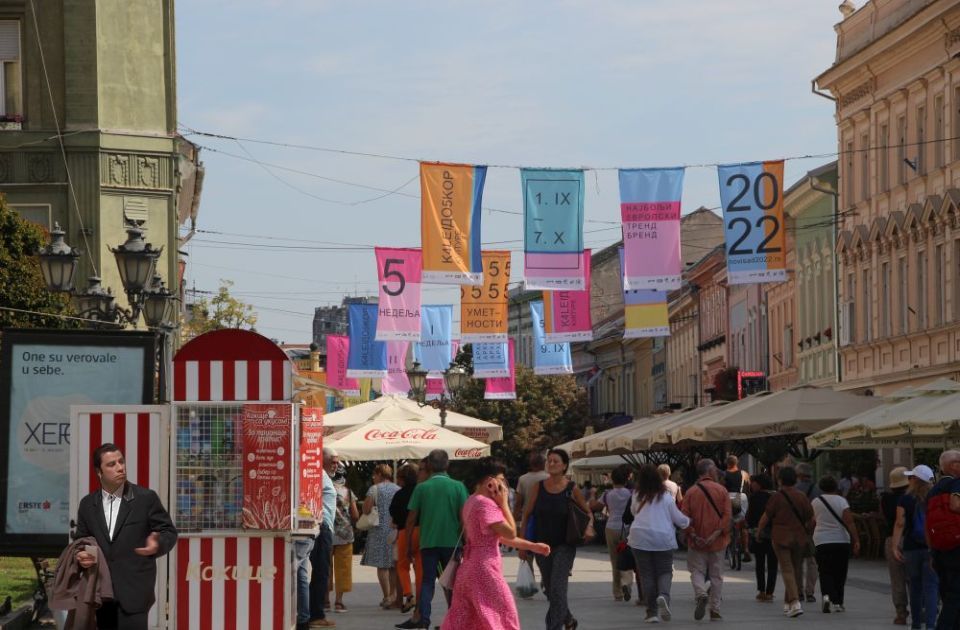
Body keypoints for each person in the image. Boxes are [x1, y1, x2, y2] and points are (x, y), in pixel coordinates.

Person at [73, 443, 177, 630]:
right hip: (101, 593)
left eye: (121, 462)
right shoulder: (88, 505)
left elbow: (168, 531)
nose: (120, 467)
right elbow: (81, 540)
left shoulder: (146, 498)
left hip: (135, 592)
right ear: (99, 472)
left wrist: (157, 544)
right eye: (111, 464)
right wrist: (81, 556)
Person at [441, 457, 551, 630]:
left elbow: (498, 536)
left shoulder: (472, 501)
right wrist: (504, 504)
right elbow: (510, 532)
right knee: (502, 615)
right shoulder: (486, 505)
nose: (504, 484)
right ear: (489, 481)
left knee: (473, 619)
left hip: (469, 569)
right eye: (501, 479)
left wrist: (532, 546)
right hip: (484, 569)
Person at [520, 448, 591, 630]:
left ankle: (553, 627)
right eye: (549, 461)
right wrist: (522, 544)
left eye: (555, 461)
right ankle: (568, 619)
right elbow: (526, 515)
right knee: (551, 589)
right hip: (541, 546)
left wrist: (589, 528)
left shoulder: (571, 488)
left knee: (558, 588)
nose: (551, 464)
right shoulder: (539, 486)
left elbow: (587, 512)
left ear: (564, 466)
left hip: (564, 546)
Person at [397, 450, 468, 630]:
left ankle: (424, 619)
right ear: (447, 465)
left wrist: (408, 546)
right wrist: (465, 539)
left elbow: (411, 518)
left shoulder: (422, 488)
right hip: (452, 543)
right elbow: (464, 517)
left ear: (429, 466)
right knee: (452, 582)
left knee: (427, 581)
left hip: (428, 542)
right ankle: (454, 620)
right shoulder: (458, 486)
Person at [626, 463, 691, 624]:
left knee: (646, 574)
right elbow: (679, 519)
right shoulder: (667, 497)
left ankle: (651, 612)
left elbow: (634, 512)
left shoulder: (636, 495)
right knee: (664, 571)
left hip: (639, 537)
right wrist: (688, 522)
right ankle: (663, 596)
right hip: (662, 538)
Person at [757, 466, 814, 618]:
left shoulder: (777, 497)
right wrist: (808, 532)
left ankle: (795, 602)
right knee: (795, 570)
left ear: (780, 479)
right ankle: (788, 603)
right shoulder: (802, 496)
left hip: (781, 537)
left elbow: (766, 516)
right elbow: (811, 519)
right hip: (799, 538)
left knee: (787, 570)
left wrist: (758, 531)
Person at [682, 458, 731, 621]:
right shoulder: (722, 490)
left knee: (696, 571)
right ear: (710, 471)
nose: (717, 473)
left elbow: (684, 517)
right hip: (717, 541)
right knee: (717, 576)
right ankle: (715, 609)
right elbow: (727, 516)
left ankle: (701, 593)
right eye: (715, 470)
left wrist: (693, 534)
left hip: (696, 542)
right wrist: (715, 535)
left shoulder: (690, 492)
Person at [892, 465, 939, 630]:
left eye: (911, 477)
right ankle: (931, 624)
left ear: (915, 480)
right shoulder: (936, 496)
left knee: (915, 586)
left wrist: (895, 546)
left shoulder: (905, 498)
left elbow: (900, 523)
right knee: (932, 587)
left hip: (912, 547)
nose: (909, 480)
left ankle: (916, 623)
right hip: (932, 546)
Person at [811, 476, 860, 613]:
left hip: (821, 540)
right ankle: (838, 602)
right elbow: (849, 522)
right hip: (841, 540)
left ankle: (826, 597)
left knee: (824, 571)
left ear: (821, 487)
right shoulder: (841, 501)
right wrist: (856, 540)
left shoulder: (816, 501)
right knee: (840, 572)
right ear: (835, 486)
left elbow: (813, 522)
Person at [590, 464, 634, 601]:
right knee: (627, 557)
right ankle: (627, 583)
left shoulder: (607, 494)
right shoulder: (631, 494)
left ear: (612, 480)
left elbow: (594, 507)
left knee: (615, 561)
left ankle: (617, 592)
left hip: (610, 527)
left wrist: (592, 494)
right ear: (626, 480)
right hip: (627, 528)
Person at [360, 463, 400, 609]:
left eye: (374, 475)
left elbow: (366, 509)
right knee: (393, 565)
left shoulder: (374, 489)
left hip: (378, 531)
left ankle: (387, 596)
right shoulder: (398, 488)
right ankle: (395, 595)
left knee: (382, 566)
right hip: (394, 530)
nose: (373, 477)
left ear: (379, 475)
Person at [928, 450, 960, 629]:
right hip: (957, 546)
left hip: (940, 550)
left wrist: (932, 551)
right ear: (954, 465)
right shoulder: (957, 483)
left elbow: (928, 524)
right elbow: (956, 505)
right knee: (955, 597)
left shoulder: (933, 491)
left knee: (948, 594)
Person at [309, 454, 338, 628]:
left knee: (320, 572)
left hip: (324, 526)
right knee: (322, 571)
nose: (336, 465)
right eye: (333, 462)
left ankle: (314, 612)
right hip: (322, 526)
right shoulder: (319, 474)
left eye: (337, 462)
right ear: (324, 460)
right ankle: (316, 615)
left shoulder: (323, 475)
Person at [390, 463, 422, 614]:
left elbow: (394, 513)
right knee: (420, 566)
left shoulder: (399, 494)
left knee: (402, 565)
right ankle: (422, 596)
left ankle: (409, 595)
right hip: (422, 531)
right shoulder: (422, 491)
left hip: (405, 532)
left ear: (403, 479)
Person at [882, 465, 911, 625]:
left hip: (891, 538)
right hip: (910, 539)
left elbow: (884, 517)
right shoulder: (912, 497)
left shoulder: (885, 498)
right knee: (914, 577)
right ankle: (920, 607)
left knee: (896, 578)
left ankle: (901, 612)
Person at [328, 459, 358, 613]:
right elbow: (355, 514)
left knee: (325, 567)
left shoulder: (324, 488)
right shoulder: (348, 492)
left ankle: (325, 600)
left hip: (326, 533)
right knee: (343, 568)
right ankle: (338, 602)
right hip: (345, 535)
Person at [746, 473, 778, 602]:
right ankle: (770, 592)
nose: (751, 485)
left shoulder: (754, 498)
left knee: (759, 563)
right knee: (772, 563)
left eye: (754, 482)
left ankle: (761, 591)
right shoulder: (775, 496)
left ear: (760, 484)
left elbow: (751, 516)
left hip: (758, 533)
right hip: (774, 533)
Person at [795, 463, 820, 604]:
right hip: (814, 529)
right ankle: (810, 592)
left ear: (798, 475)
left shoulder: (794, 490)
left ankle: (799, 591)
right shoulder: (818, 490)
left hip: (798, 530)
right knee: (812, 562)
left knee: (798, 562)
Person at [723, 455, 752, 563]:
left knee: (725, 522)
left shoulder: (723, 474)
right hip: (740, 497)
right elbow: (749, 487)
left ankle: (725, 546)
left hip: (726, 498)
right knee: (743, 524)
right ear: (737, 462)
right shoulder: (744, 474)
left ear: (727, 463)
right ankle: (746, 550)